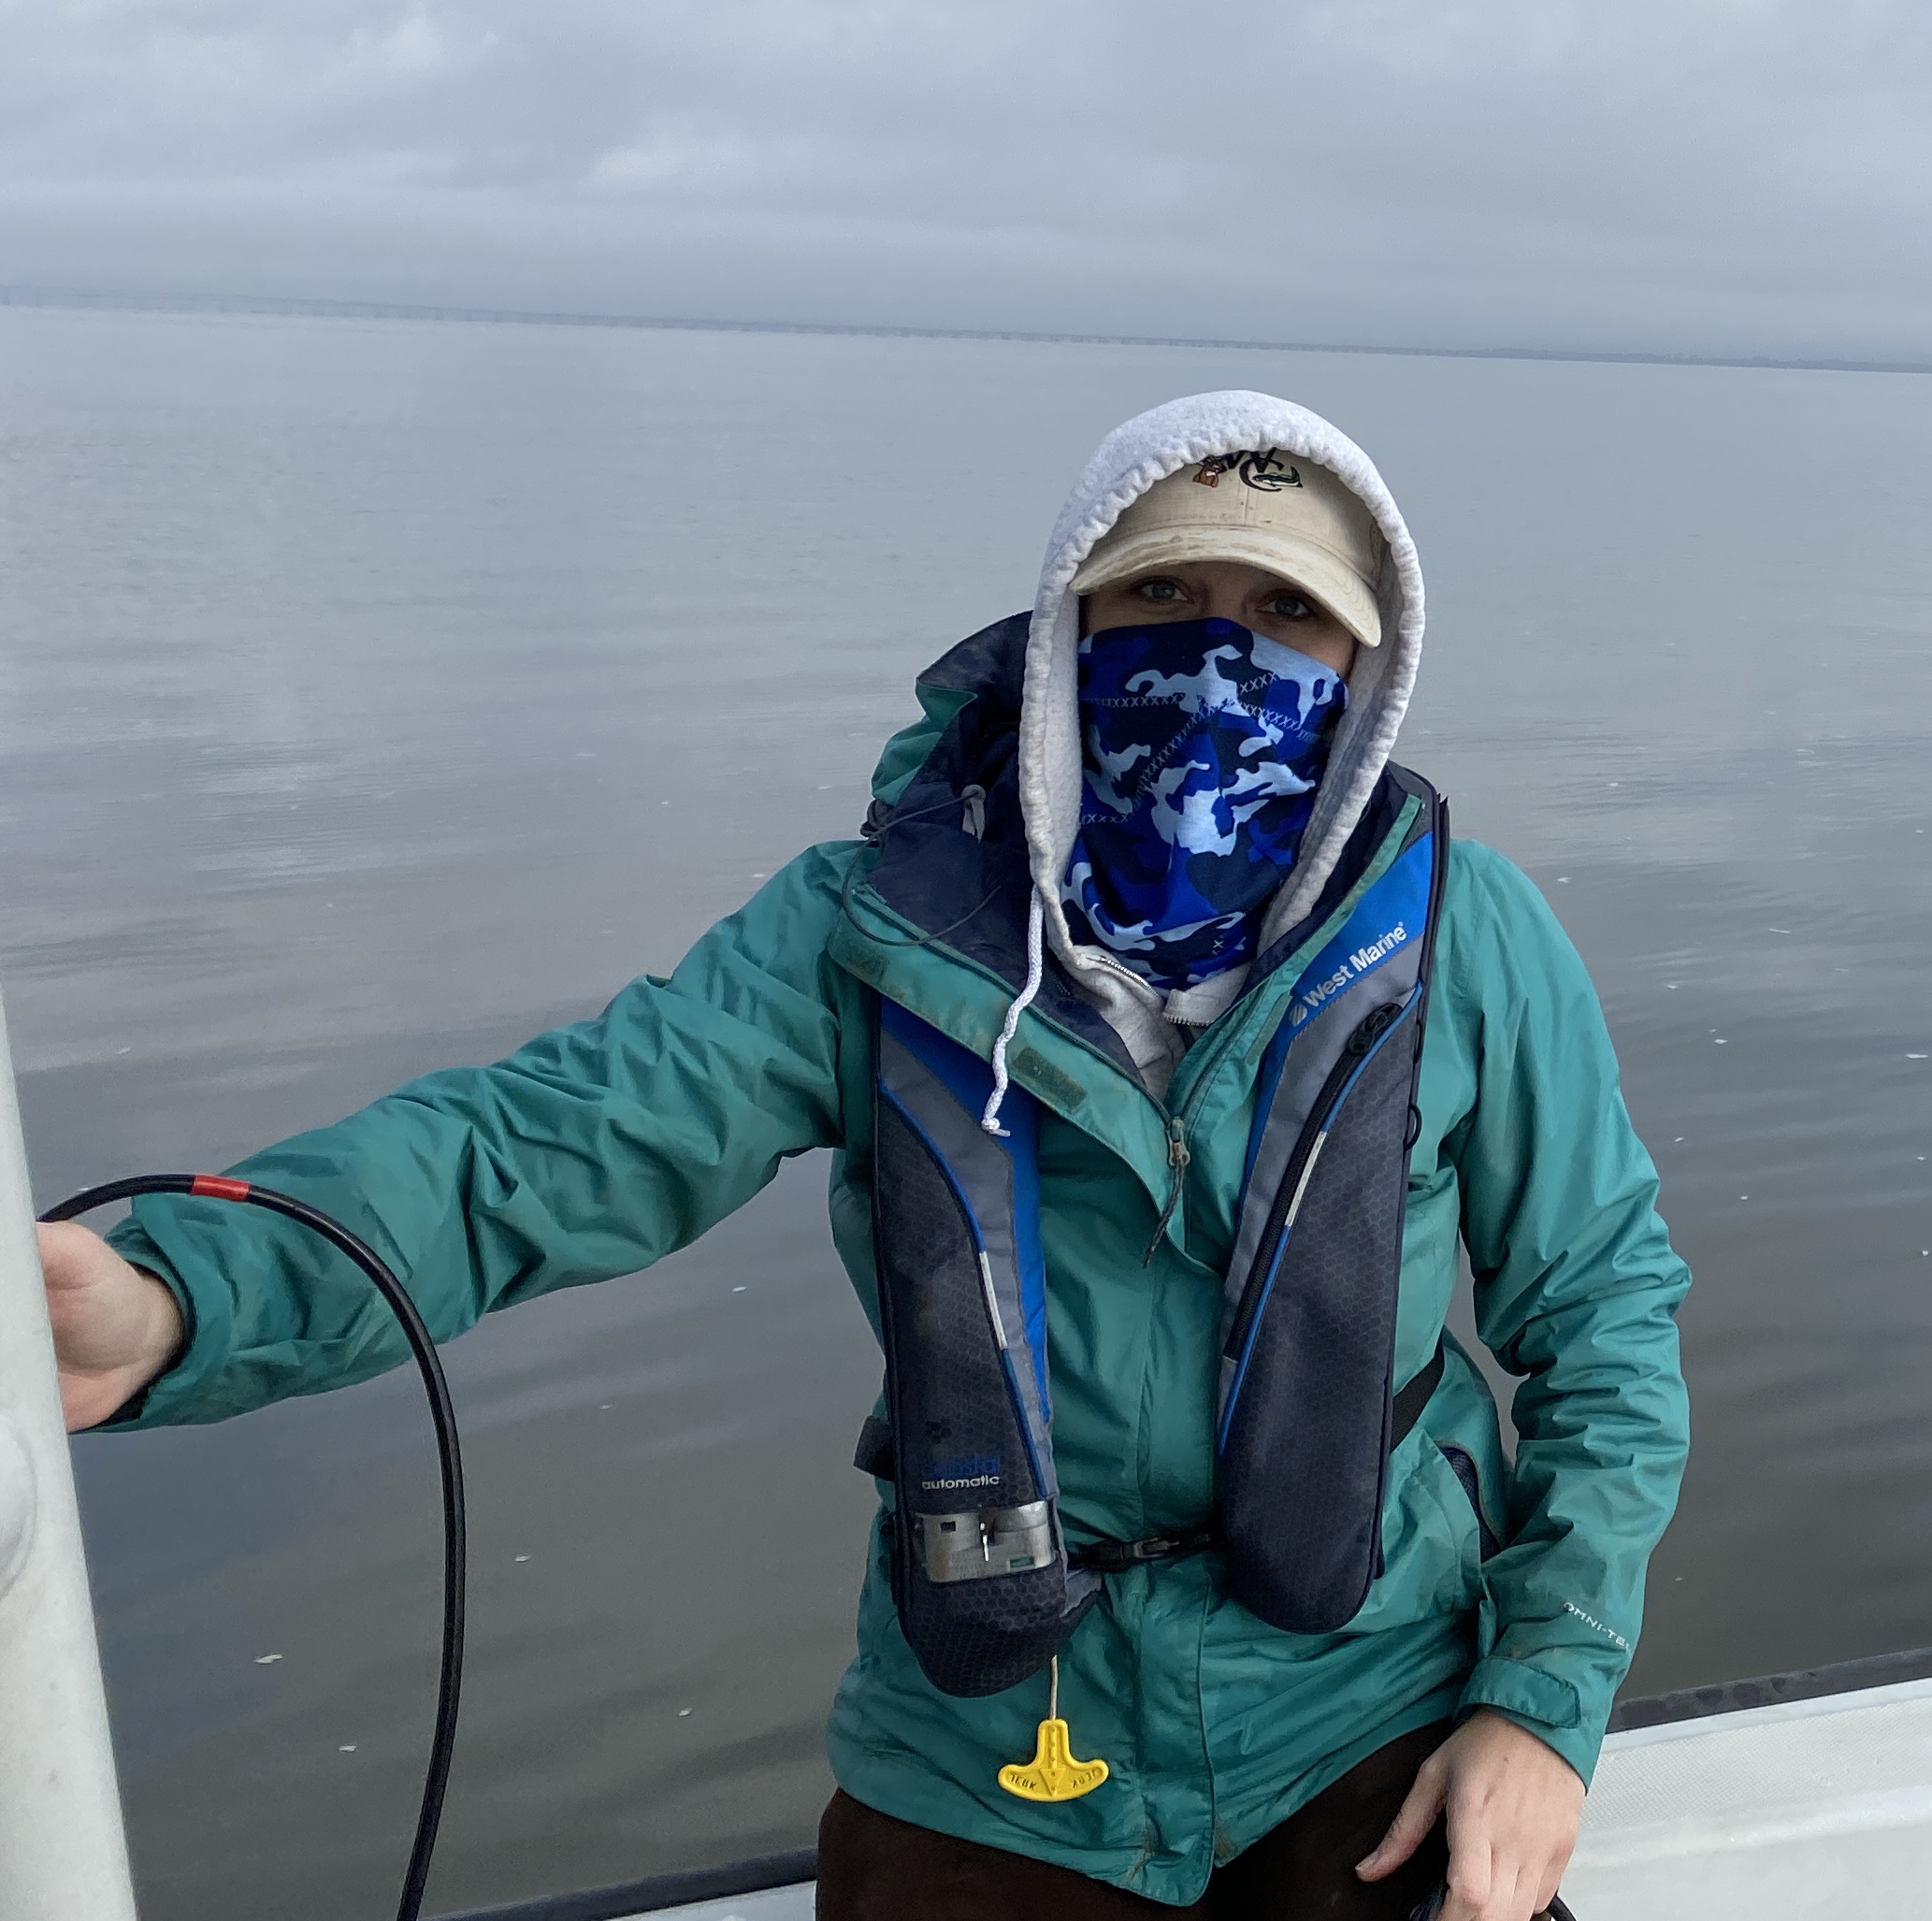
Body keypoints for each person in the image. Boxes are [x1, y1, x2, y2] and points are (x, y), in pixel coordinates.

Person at [35, 392, 1689, 1919]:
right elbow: (543, 1147)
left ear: (1368, 669)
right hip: (986, 1743)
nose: (1217, 660)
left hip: (1370, 1701)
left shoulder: (1472, 937)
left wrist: (1543, 1700)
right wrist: (183, 1293)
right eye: (1158, 603)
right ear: (1064, 633)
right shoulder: (865, 930)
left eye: (1283, 616)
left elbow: (1603, 1315)